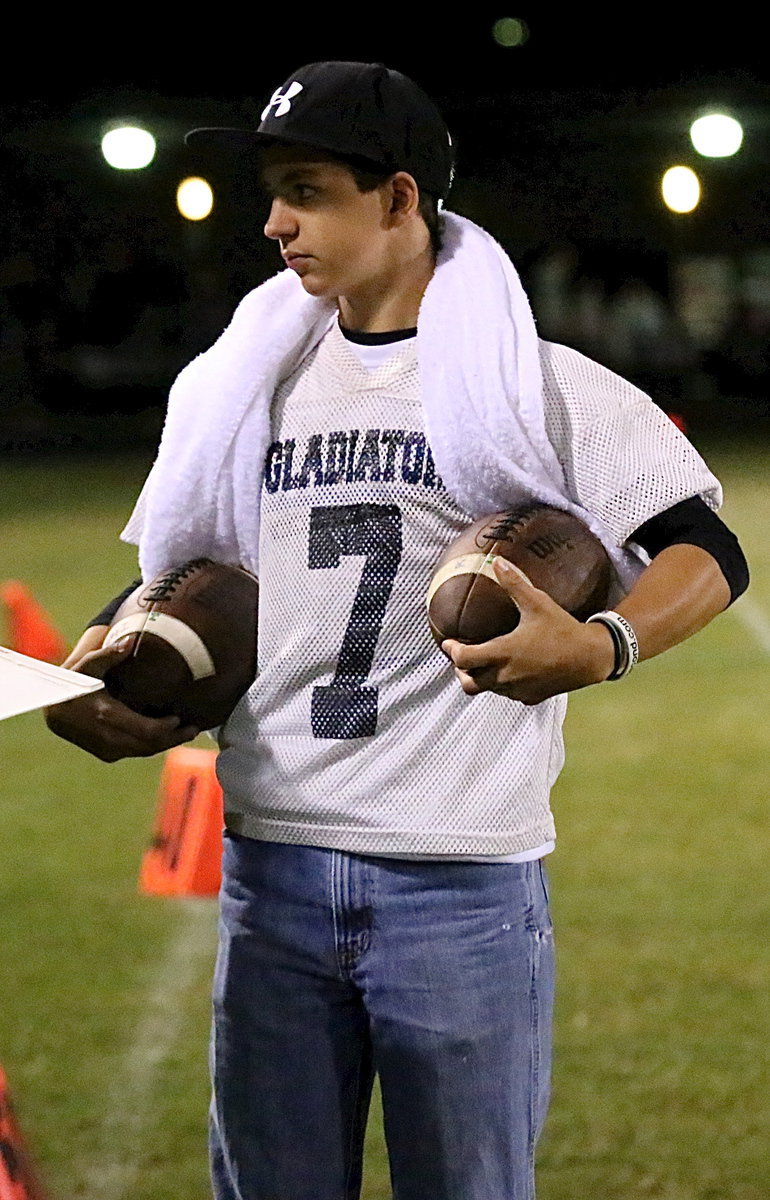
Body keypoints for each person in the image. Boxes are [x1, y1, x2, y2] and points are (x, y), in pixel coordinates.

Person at [46, 62, 749, 1200]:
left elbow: (707, 551)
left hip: (458, 888)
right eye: (270, 191)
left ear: (398, 198)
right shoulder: (240, 385)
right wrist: (109, 663)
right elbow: (186, 571)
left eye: (306, 189)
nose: (273, 222)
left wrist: (599, 645)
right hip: (270, 872)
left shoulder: (532, 383)